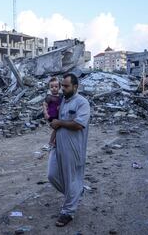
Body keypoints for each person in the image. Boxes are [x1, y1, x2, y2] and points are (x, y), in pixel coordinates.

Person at [47, 73, 91, 227]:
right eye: (62, 86)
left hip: (73, 147)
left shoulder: (82, 102)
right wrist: (53, 135)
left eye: (66, 86)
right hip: (58, 144)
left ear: (75, 86)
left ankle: (68, 212)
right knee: (52, 175)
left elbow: (79, 125)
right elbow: (57, 122)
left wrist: (59, 122)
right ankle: (76, 193)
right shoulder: (62, 101)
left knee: (71, 178)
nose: (62, 89)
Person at [42, 77, 62, 146]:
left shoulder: (60, 96)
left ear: (59, 87)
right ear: (49, 88)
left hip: (58, 115)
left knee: (59, 128)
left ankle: (56, 141)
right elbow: (44, 104)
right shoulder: (49, 97)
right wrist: (45, 113)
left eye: (56, 86)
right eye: (52, 87)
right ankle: (51, 141)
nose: (54, 88)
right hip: (52, 115)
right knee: (57, 128)